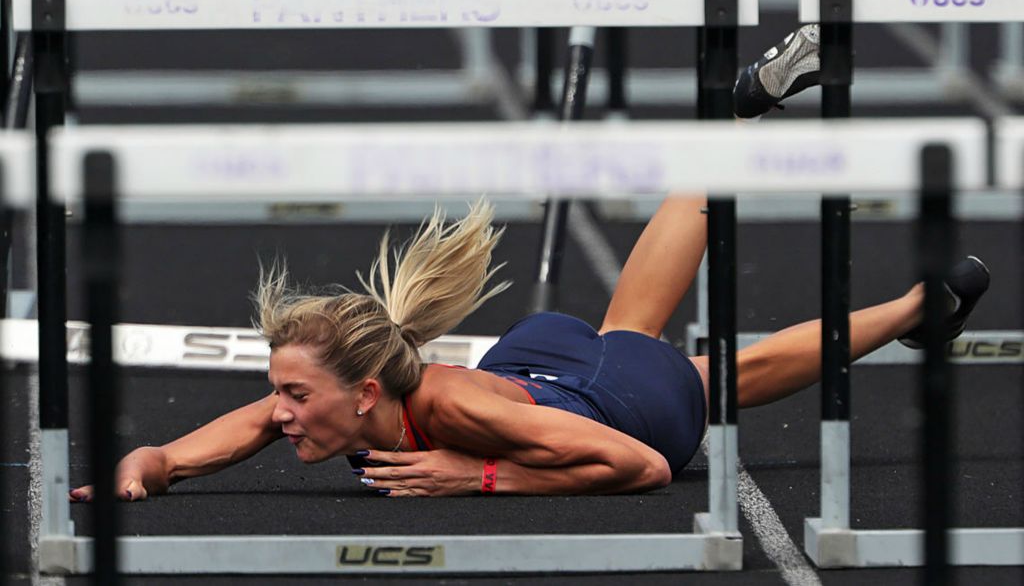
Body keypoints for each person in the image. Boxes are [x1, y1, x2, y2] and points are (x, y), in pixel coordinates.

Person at [67, 194, 990, 500]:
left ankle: (912, 299)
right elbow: (232, 433)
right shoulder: (340, 403)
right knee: (694, 358)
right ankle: (914, 300)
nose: (279, 412)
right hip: (537, 360)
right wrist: (154, 462)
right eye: (282, 395)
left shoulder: (454, 411)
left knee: (689, 371)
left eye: (295, 398)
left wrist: (486, 480)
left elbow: (641, 469)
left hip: (619, 407)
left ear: (362, 393)